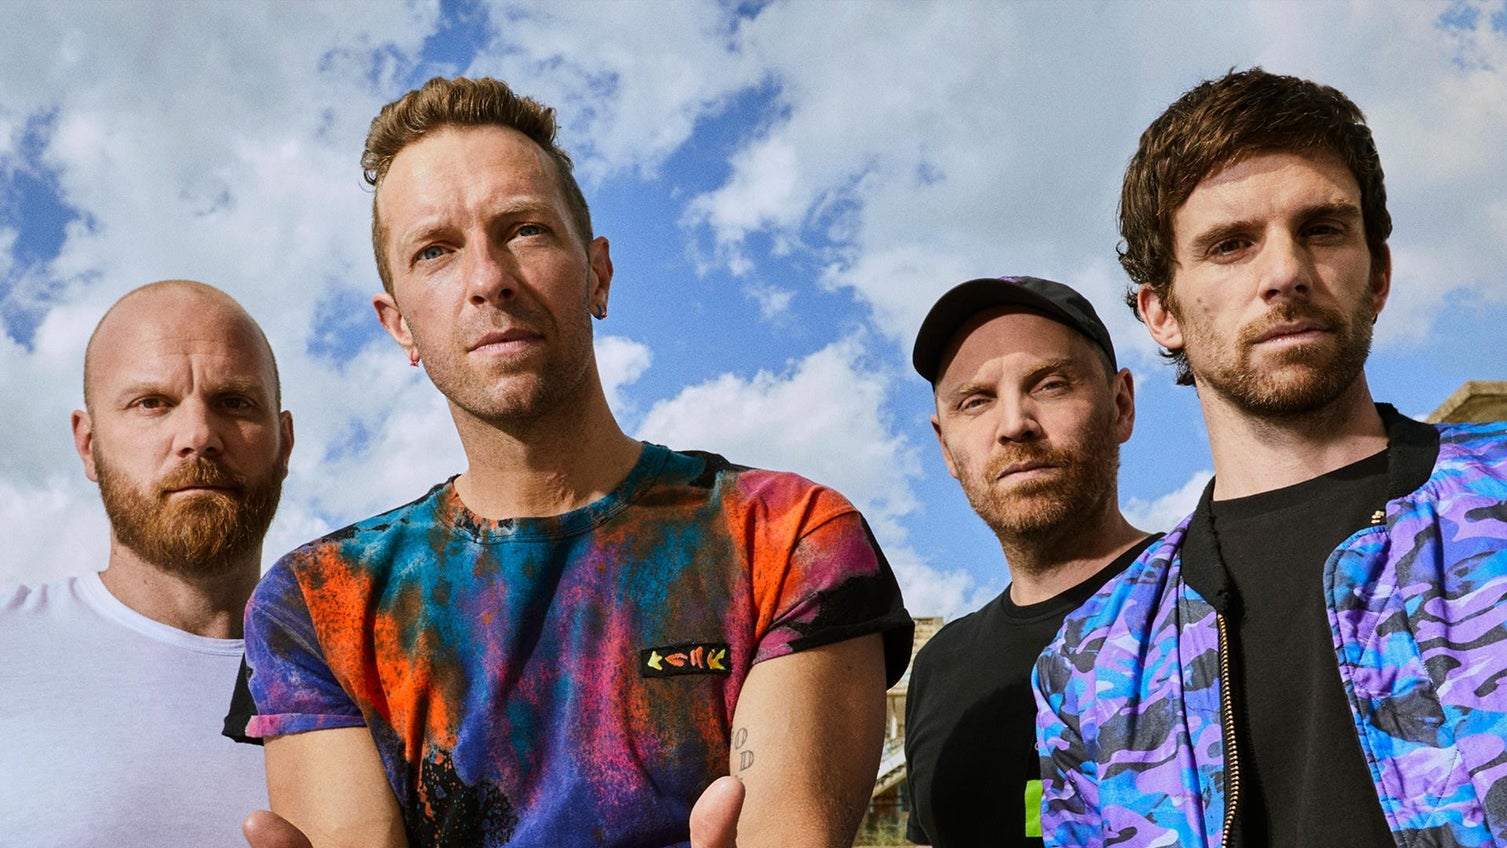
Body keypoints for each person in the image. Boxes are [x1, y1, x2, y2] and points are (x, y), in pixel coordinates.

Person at [225, 76, 913, 848]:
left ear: (597, 274)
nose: (488, 279)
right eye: (435, 250)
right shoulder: (320, 602)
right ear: (399, 325)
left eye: (524, 230)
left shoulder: (786, 538)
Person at [1035, 68, 1507, 847]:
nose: (1284, 273)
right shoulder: (1089, 665)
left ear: (1378, 274)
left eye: (1321, 229)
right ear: (1160, 312)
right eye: (1230, 245)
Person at [0, 280, 293, 846]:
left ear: (284, 442)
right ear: (88, 445)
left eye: (235, 402)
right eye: (152, 403)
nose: (199, 436)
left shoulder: (373, 675)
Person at [902, 276, 1156, 848]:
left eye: (1050, 384)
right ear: (945, 447)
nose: (1015, 423)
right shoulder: (939, 668)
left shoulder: (1209, 601)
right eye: (976, 401)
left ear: (1120, 406)